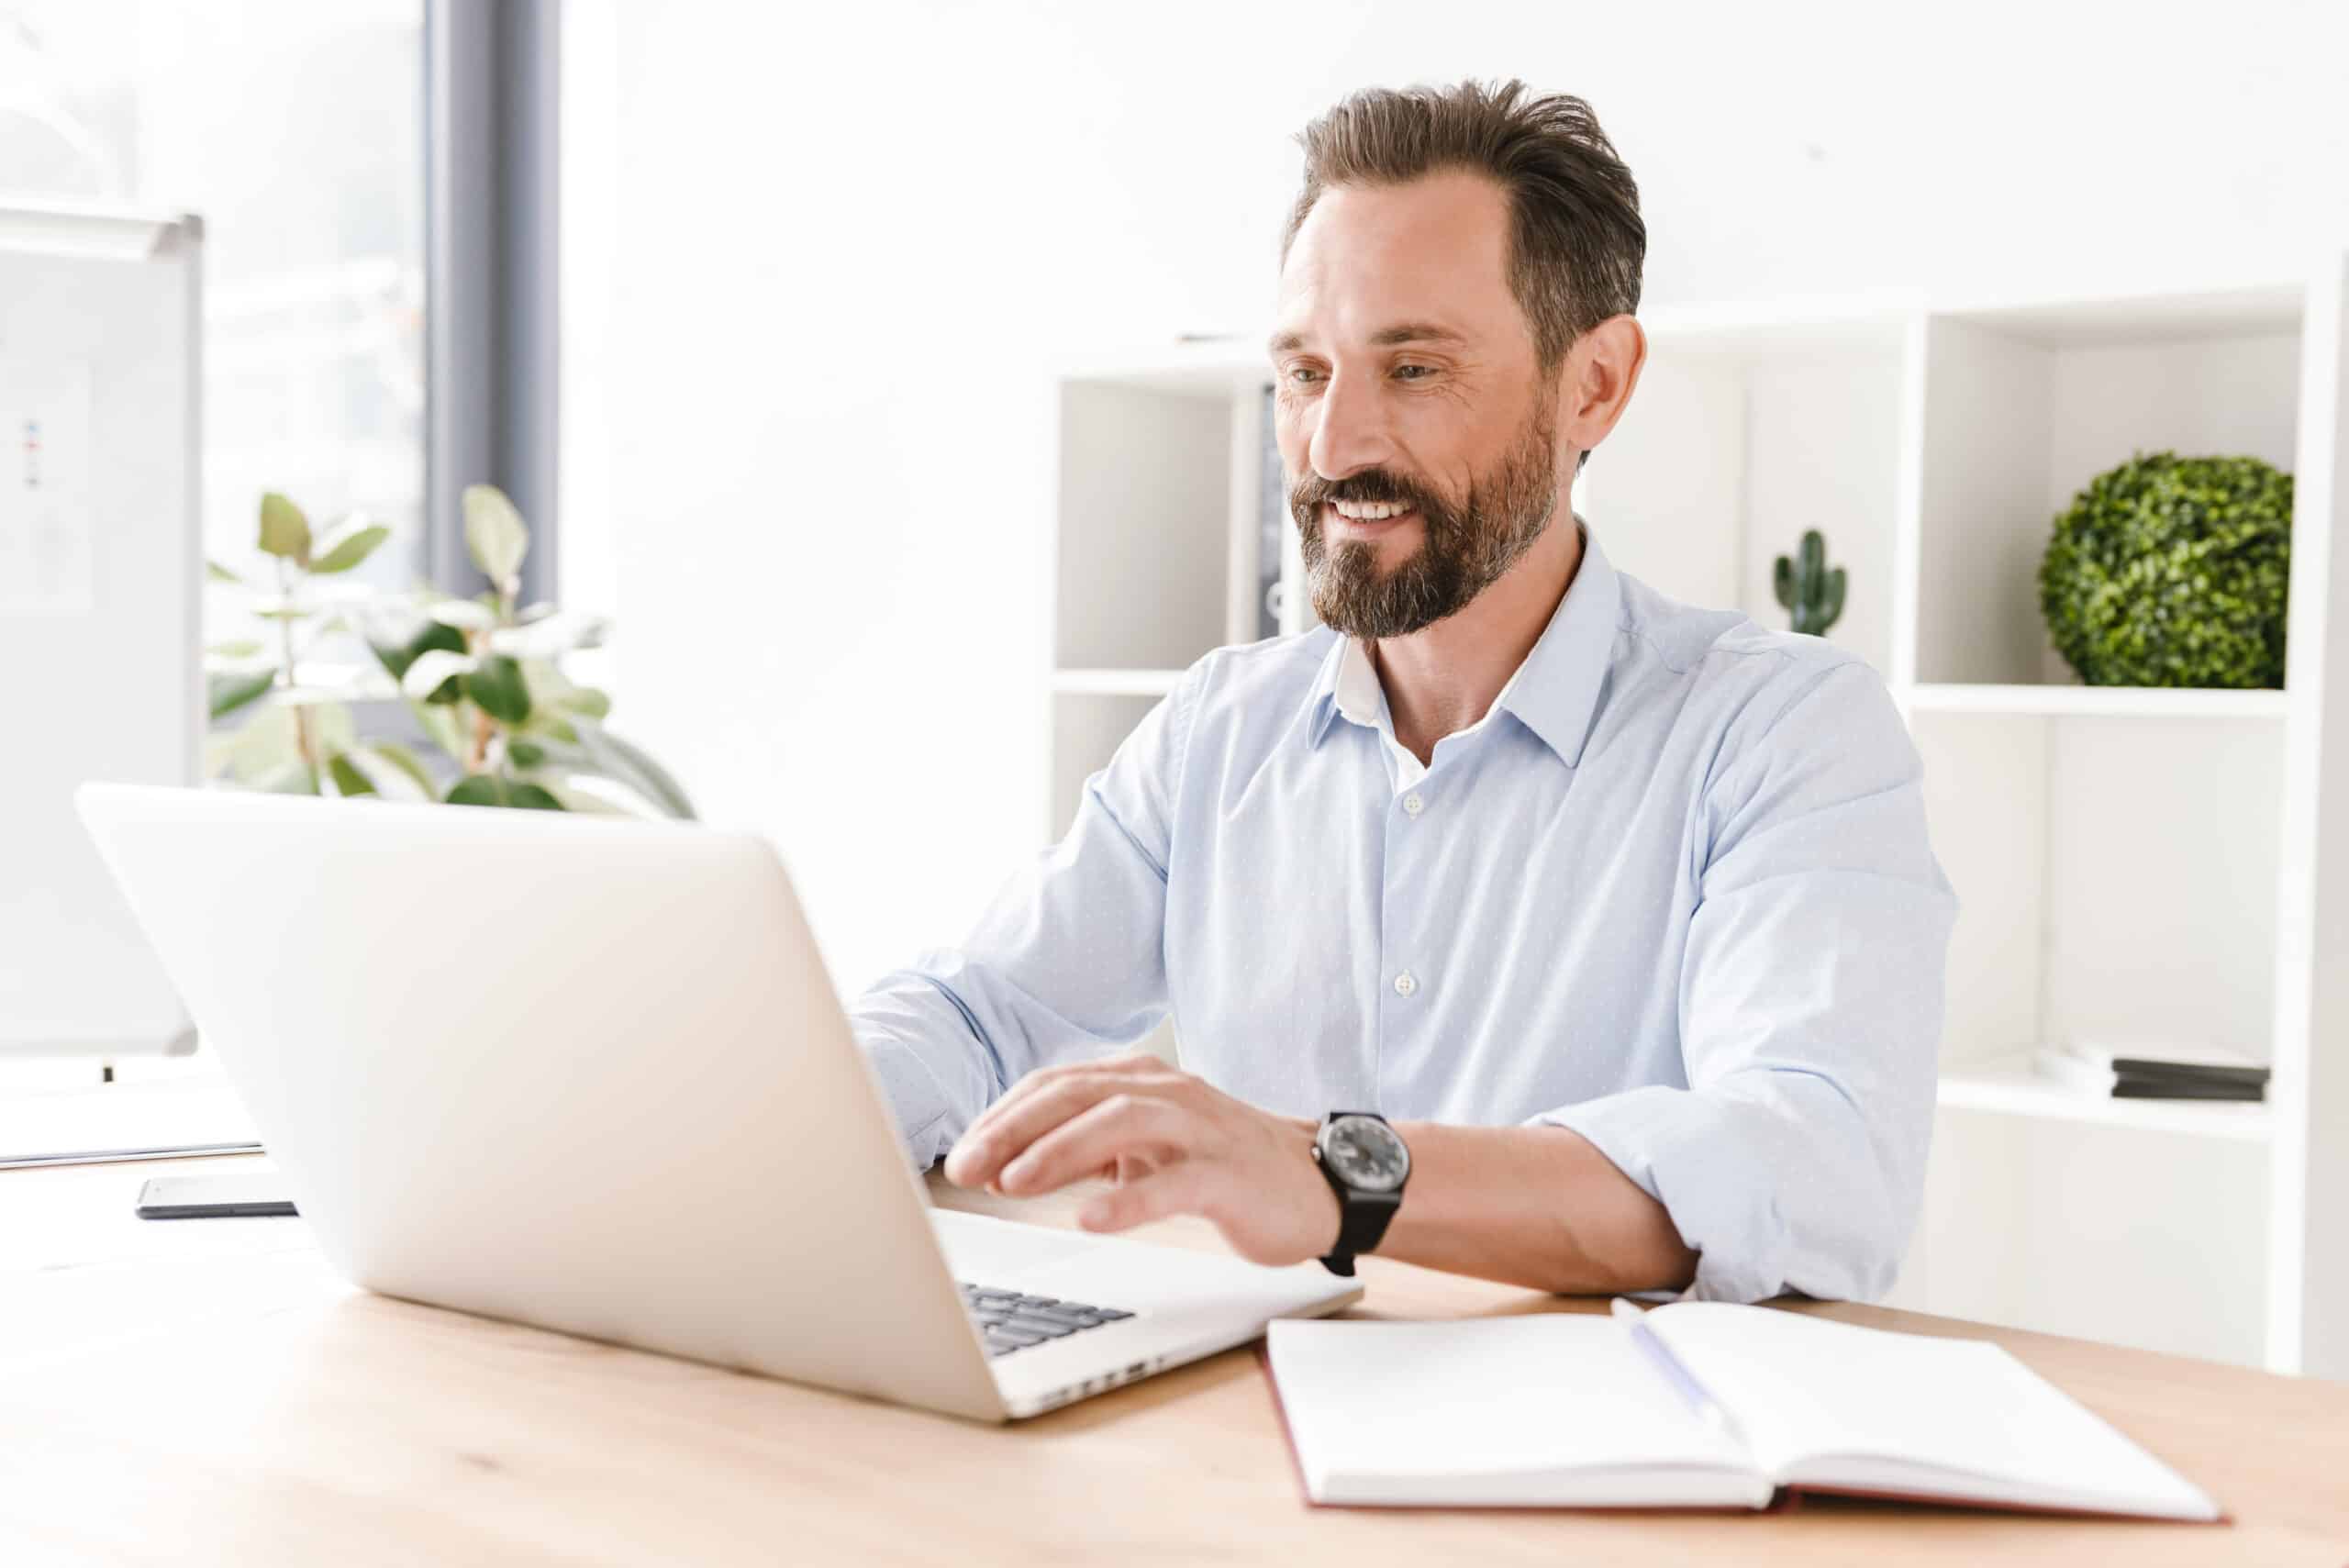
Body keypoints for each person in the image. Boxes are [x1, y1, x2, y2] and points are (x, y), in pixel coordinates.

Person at [850, 79, 1954, 1303]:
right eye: (1305, 372)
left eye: (1414, 367)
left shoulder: (1782, 733)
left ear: (1594, 383)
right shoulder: (1223, 728)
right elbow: (978, 1009)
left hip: (1607, 1462)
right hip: (1245, 1426)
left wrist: (1331, 1173)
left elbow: (1814, 1170)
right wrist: (772, 1115)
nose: (1331, 448)